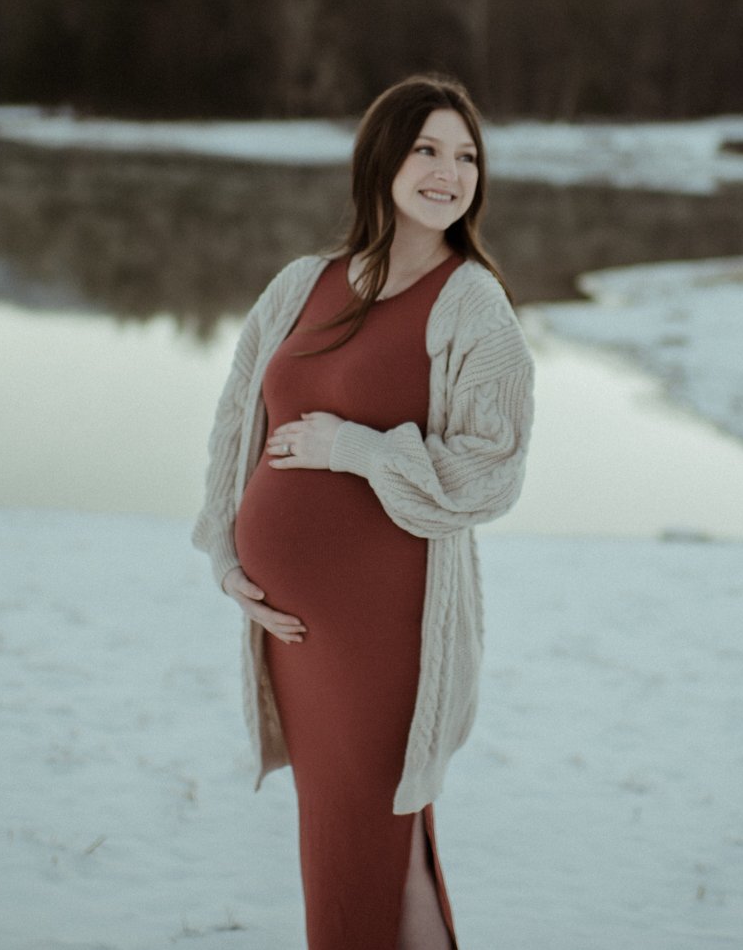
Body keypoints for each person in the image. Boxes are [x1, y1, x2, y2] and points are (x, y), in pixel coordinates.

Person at [191, 73, 536, 950]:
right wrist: (227, 553)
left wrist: (360, 449)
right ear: (382, 157)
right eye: (427, 148)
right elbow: (238, 419)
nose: (447, 172)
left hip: (387, 632)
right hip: (295, 632)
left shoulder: (473, 304)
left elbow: (491, 471)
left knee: (379, 836)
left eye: (465, 156)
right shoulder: (303, 284)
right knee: (348, 843)